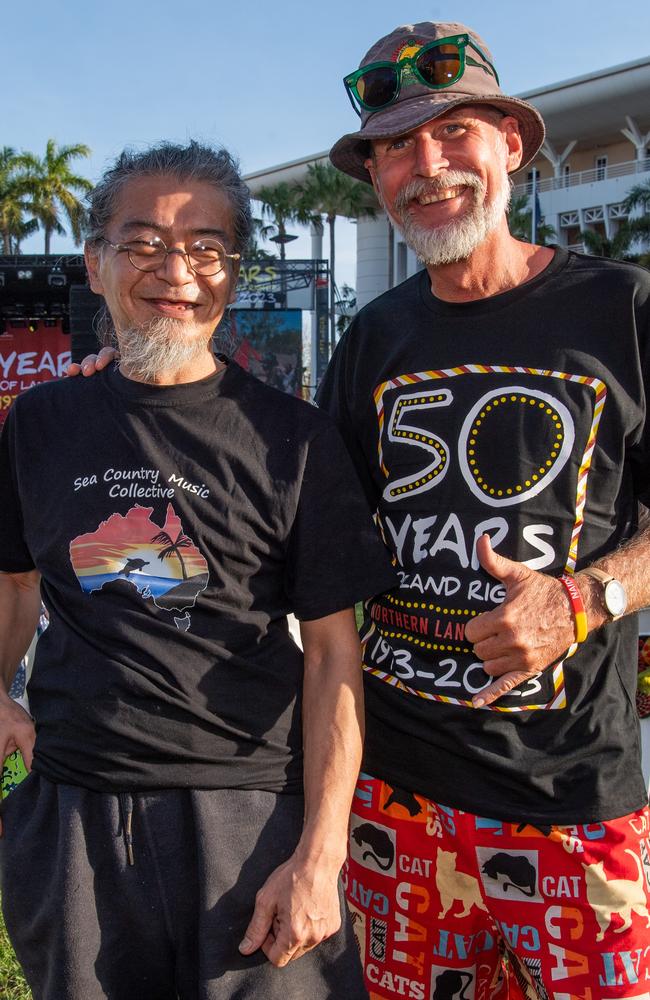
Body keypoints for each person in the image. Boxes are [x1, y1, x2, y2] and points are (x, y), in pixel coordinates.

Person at [0, 140, 396, 1000]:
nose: (175, 269)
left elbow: (334, 655)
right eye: (142, 243)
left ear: (233, 272)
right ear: (96, 261)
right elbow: (18, 581)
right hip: (74, 817)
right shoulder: (38, 422)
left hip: (249, 817)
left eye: (205, 248)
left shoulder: (293, 439)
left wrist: (320, 857)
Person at [317, 20, 650, 1000]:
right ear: (375, 178)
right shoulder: (371, 337)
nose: (425, 166)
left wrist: (584, 596)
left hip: (573, 805)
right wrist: (126, 392)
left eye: (452, 133)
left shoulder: (621, 309)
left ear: (509, 143)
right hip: (395, 799)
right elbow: (299, 515)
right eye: (395, 148)